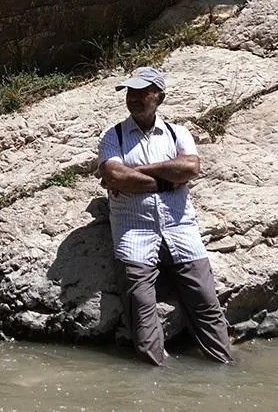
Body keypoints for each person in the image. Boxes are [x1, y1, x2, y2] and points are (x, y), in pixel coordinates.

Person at [97, 66, 234, 366]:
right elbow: (115, 175)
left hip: (181, 230)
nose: (134, 98)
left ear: (159, 97)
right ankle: (156, 381)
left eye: (142, 92)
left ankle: (225, 370)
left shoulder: (177, 132)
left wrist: (137, 173)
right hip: (134, 235)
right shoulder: (113, 135)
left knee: (207, 305)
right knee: (142, 315)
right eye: (130, 93)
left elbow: (191, 168)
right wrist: (167, 179)